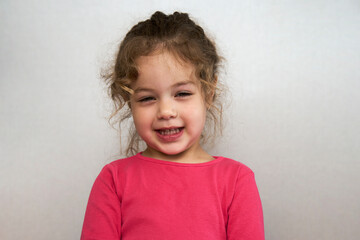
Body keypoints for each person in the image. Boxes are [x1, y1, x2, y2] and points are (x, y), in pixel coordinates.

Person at [81, 11, 264, 240]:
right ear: (129, 101)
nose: (166, 112)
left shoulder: (237, 181)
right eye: (147, 98)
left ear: (209, 92)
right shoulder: (113, 180)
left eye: (182, 93)